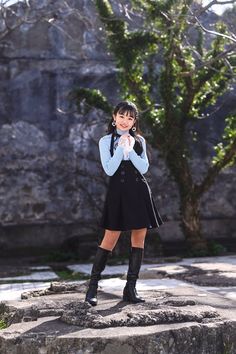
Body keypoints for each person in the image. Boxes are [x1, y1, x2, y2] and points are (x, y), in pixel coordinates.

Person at [85, 100, 164, 306]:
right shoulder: (105, 141)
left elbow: (144, 168)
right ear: (114, 117)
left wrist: (131, 150)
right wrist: (121, 149)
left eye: (130, 118)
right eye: (121, 116)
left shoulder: (139, 140)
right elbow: (109, 169)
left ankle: (130, 288)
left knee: (139, 239)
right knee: (109, 239)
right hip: (117, 193)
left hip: (139, 191)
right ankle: (92, 288)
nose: (125, 121)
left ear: (134, 121)